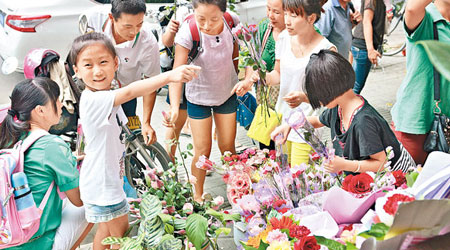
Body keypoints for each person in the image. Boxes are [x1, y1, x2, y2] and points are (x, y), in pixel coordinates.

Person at [69, 32, 199, 250]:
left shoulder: (104, 94)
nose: (98, 71)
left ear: (115, 62)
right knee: (123, 238)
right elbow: (130, 91)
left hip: (104, 181)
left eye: (103, 62)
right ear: (77, 71)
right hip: (103, 186)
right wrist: (170, 76)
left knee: (105, 232)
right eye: (88, 65)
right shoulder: (95, 99)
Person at [271, 50, 416, 173]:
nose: (318, 101)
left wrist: (345, 165)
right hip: (369, 176)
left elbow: (381, 163)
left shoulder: (363, 122)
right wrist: (289, 125)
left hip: (395, 177)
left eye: (318, 95)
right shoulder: (339, 106)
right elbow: (317, 121)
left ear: (329, 89)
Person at [0, 77, 89, 250]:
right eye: (57, 100)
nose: (62, 105)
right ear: (40, 110)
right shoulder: (52, 145)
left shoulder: (12, 136)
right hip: (36, 244)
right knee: (93, 207)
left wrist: (67, 159)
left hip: (8, 238)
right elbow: (78, 200)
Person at [166, 0, 240, 202]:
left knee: (228, 147)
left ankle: (238, 193)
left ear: (223, 13)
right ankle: (197, 196)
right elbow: (176, 74)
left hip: (226, 93)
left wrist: (242, 79)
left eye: (214, 19)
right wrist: (174, 107)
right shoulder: (188, 33)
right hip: (198, 97)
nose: (207, 25)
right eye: (201, 19)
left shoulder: (232, 23)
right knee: (202, 150)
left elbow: (236, 55)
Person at [252, 0, 336, 167]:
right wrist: (263, 77)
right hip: (282, 120)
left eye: (294, 15)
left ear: (311, 18)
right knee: (285, 176)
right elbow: (278, 74)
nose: (287, 20)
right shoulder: (284, 38)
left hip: (306, 125)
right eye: (286, 14)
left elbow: (330, 97)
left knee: (300, 179)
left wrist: (304, 97)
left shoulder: (326, 50)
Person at [83, 0, 160, 145]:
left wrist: (146, 122)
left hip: (127, 92)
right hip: (95, 91)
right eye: (128, 26)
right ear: (112, 18)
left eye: (139, 24)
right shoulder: (94, 19)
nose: (134, 31)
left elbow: (151, 83)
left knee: (130, 136)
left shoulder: (148, 42)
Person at [390, 0, 450, 165]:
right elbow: (411, 9)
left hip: (447, 126)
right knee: (407, 185)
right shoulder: (426, 16)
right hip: (415, 122)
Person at [232, 0, 285, 150]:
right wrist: (248, 82)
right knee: (268, 144)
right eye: (268, 9)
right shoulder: (264, 28)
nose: (270, 15)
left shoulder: (298, 32)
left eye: (276, 12)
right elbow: (255, 58)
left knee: (288, 148)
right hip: (267, 101)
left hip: (289, 102)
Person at [351, 0, 386, 94]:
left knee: (354, 87)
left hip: (361, 46)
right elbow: (366, 21)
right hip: (362, 47)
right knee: (355, 89)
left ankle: (342, 108)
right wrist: (370, 49)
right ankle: (342, 109)